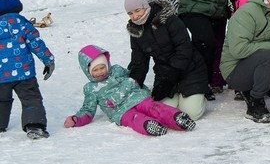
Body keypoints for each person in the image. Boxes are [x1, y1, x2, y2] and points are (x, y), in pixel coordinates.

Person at [65, 45, 196, 136]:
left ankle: (177, 118)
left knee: (154, 107)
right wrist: (77, 120)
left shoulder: (116, 70)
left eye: (102, 67)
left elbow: (132, 76)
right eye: (95, 70)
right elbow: (88, 110)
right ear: (87, 71)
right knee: (134, 119)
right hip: (120, 111)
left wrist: (138, 86)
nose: (100, 72)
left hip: (136, 97)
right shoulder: (91, 89)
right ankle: (149, 125)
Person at [124, 0, 208, 121]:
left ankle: (198, 96)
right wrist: (131, 87)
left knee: (191, 113)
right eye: (130, 13)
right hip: (164, 73)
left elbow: (184, 49)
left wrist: (171, 77)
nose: (135, 16)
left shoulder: (168, 19)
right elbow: (139, 63)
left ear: (145, 6)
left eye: (137, 10)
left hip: (190, 69)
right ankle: (179, 95)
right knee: (163, 111)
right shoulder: (136, 31)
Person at [0, 0, 54, 139]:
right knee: (30, 98)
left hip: (0, 76)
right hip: (24, 73)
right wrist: (48, 60)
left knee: (1, 99)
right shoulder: (22, 23)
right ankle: (35, 126)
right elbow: (36, 43)